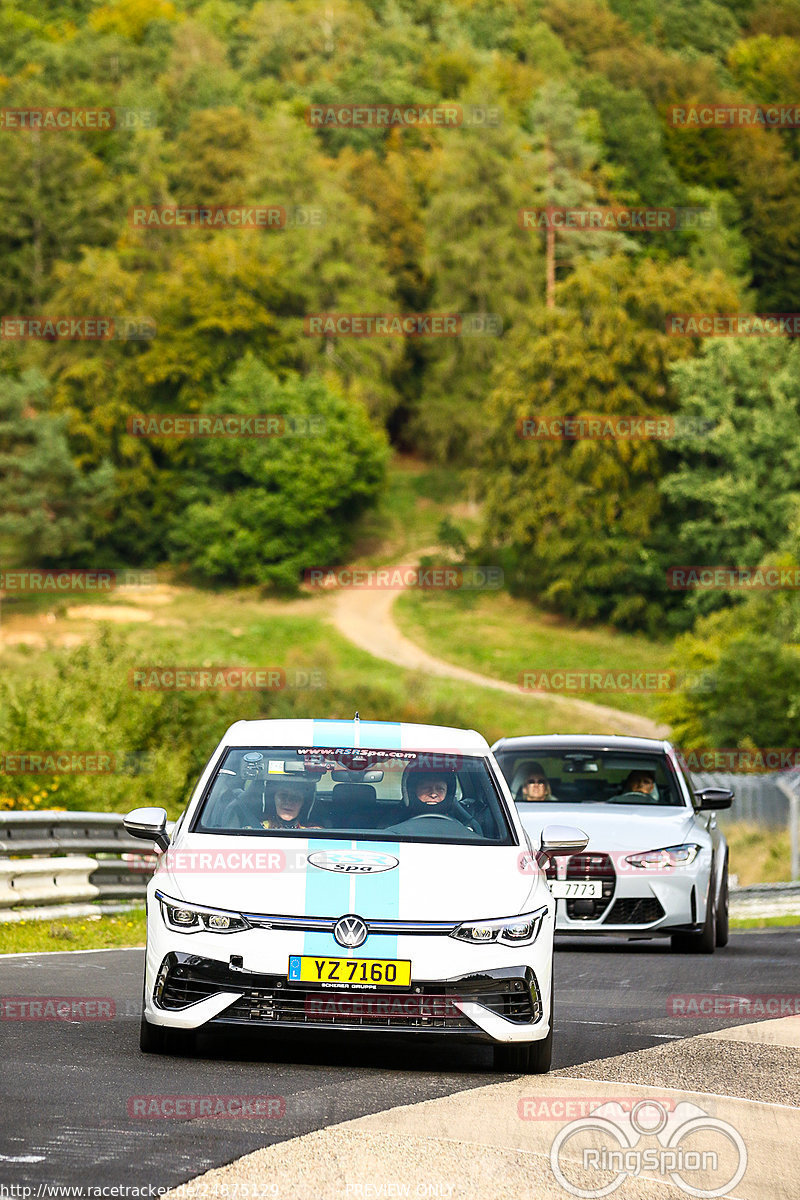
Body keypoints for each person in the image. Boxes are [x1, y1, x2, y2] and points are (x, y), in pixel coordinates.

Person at [402, 767, 482, 834]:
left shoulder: (462, 822)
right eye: (426, 788)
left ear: (448, 792)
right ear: (413, 791)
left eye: (440, 789)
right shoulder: (396, 819)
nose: (433, 794)